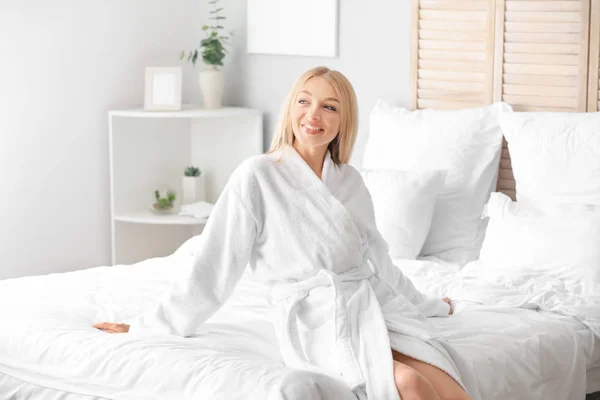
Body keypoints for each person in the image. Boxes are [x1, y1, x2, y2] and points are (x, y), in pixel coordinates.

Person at [94, 66, 476, 400]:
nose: (313, 115)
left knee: (449, 386)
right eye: (304, 101)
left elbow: (379, 261)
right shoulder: (257, 175)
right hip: (314, 317)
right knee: (410, 385)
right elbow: (213, 265)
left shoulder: (349, 181)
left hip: (370, 302)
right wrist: (147, 327)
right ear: (290, 108)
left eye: (329, 107)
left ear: (344, 121)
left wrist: (431, 306)